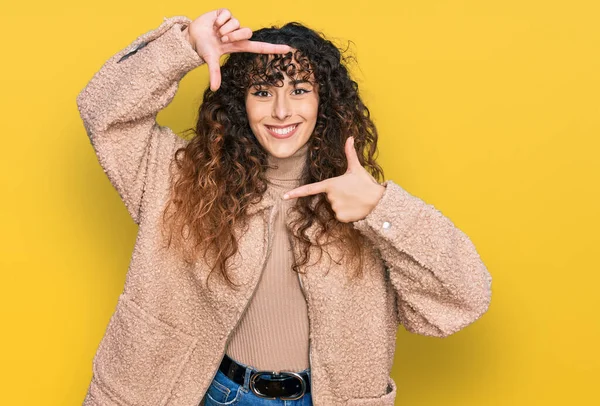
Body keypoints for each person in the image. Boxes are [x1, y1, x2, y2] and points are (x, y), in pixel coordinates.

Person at [76, 8, 492, 406]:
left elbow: (465, 298)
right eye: (262, 92)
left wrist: (382, 209)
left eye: (299, 90)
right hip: (212, 393)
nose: (281, 110)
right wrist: (183, 44)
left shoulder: (362, 203)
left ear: (322, 102)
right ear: (241, 103)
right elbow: (103, 112)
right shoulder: (179, 179)